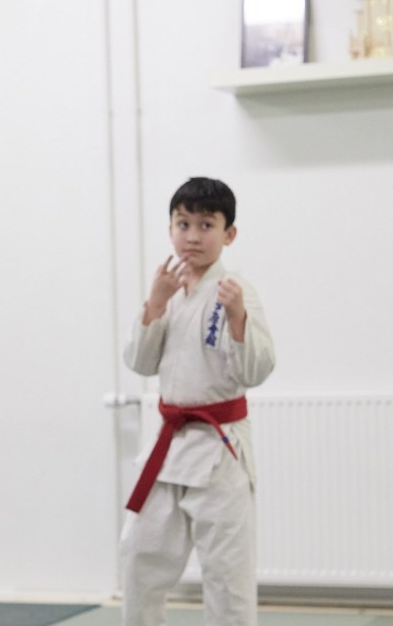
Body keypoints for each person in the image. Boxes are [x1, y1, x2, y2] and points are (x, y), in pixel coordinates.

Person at [120, 177, 275, 626]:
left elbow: (256, 371)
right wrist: (155, 303)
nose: (192, 236)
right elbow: (140, 362)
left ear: (229, 234)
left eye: (206, 225)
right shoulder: (168, 288)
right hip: (169, 447)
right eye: (183, 223)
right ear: (170, 228)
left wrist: (237, 316)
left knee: (227, 575)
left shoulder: (234, 289)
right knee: (139, 557)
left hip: (220, 449)